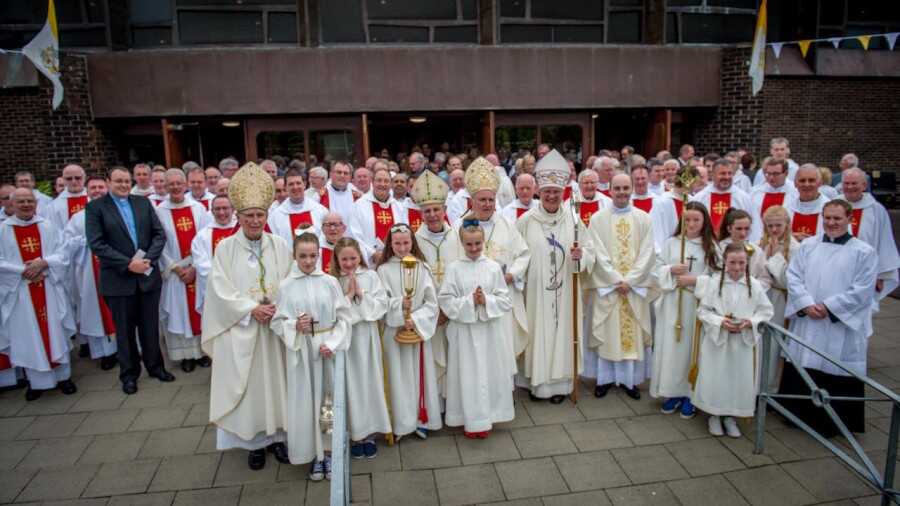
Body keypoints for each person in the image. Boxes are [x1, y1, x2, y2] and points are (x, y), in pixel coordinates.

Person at [201, 162, 292, 470]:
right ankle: (254, 443)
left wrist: (278, 308)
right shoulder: (225, 248)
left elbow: (292, 281)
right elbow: (219, 289)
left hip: (275, 329)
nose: (255, 220)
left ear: (267, 216)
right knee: (252, 388)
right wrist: (250, 309)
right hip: (244, 329)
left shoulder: (279, 245)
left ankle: (279, 437)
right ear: (238, 217)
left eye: (260, 215)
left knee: (279, 384)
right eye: (249, 215)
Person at [779, 199, 878, 437]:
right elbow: (793, 277)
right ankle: (798, 415)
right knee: (805, 362)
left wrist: (829, 307)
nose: (831, 223)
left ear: (849, 219)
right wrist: (805, 303)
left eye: (837, 218)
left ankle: (833, 423)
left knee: (835, 364)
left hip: (838, 324)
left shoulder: (864, 252)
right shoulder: (808, 246)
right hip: (808, 318)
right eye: (828, 218)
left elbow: (863, 289)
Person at [86, 167, 174, 394]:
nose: (124, 185)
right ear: (108, 182)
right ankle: (129, 374)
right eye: (118, 181)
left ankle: (155, 367)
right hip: (118, 279)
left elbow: (159, 234)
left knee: (150, 326)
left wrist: (147, 260)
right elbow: (97, 244)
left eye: (127, 181)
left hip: (146, 274)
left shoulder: (142, 203)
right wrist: (128, 264)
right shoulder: (96, 208)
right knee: (124, 331)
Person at [271, 232, 351, 478]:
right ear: (294, 256)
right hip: (302, 352)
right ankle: (313, 454)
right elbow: (277, 321)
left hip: (327, 350)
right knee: (307, 402)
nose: (308, 261)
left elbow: (345, 317)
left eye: (312, 255)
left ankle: (328, 451)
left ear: (319, 254)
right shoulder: (286, 285)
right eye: (302, 256)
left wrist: (334, 342)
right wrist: (294, 325)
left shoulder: (329, 282)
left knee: (328, 402)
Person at [517, 150, 593, 403]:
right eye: (547, 191)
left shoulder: (573, 221)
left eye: (556, 192)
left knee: (563, 333)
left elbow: (591, 253)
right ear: (539, 191)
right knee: (539, 333)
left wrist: (581, 255)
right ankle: (537, 384)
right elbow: (517, 255)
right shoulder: (526, 221)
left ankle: (561, 385)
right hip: (536, 293)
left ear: (563, 193)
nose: (551, 196)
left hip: (565, 292)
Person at [452, 157, 530, 387]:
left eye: (491, 199)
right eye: (482, 199)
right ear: (472, 200)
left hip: (499, 298)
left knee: (501, 346)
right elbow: (453, 263)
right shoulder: (459, 227)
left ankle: (503, 392)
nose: (487, 204)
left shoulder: (506, 224)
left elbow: (523, 254)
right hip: (472, 302)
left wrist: (512, 274)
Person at [584, 174, 657, 400]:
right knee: (607, 333)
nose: (622, 192)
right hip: (610, 287)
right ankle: (604, 379)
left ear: (632, 189)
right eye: (617, 188)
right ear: (610, 190)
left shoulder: (644, 218)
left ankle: (629, 381)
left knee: (630, 334)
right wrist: (617, 280)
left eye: (626, 188)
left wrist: (631, 281)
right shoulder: (598, 219)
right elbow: (597, 252)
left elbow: (647, 252)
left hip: (633, 288)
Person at [0, 188, 77, 401]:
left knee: (55, 331)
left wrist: (44, 263)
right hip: (20, 292)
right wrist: (22, 272)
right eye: (21, 201)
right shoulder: (3, 230)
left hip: (49, 287)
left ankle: (64, 378)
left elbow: (63, 253)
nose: (26, 205)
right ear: (11, 204)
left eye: (29, 201)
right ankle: (36, 383)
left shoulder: (48, 226)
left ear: (36, 203)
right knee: (28, 336)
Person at [439, 224, 514, 436]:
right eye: (469, 244)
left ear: (484, 243)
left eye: (478, 243)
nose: (474, 248)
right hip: (464, 332)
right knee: (468, 375)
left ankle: (489, 416)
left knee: (489, 373)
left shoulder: (492, 267)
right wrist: (469, 301)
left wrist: (486, 300)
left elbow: (505, 300)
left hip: (489, 330)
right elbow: (445, 299)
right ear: (462, 244)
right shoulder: (454, 268)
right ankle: (468, 418)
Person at [693, 243, 774, 438]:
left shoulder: (754, 285)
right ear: (725, 262)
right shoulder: (714, 283)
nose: (737, 268)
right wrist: (721, 322)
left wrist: (751, 322)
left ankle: (730, 416)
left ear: (747, 263)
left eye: (741, 263)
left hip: (742, 342)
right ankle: (714, 414)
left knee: (737, 379)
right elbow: (703, 311)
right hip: (718, 341)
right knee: (717, 377)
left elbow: (766, 311)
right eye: (732, 262)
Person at [650, 201, 719, 419]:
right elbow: (655, 268)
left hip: (696, 305)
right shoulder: (672, 243)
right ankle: (672, 391)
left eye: (696, 219)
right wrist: (670, 269)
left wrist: (694, 280)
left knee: (693, 349)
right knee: (672, 350)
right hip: (672, 303)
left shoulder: (710, 246)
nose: (691, 224)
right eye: (687, 219)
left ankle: (691, 394)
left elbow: (718, 277)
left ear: (704, 221)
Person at [376, 224, 441, 440]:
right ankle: (402, 424)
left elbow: (432, 302)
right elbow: (380, 303)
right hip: (394, 333)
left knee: (419, 374)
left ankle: (422, 419)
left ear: (413, 242)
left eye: (406, 242)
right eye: (397, 243)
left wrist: (415, 319)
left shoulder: (422, 267)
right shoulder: (383, 270)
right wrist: (398, 308)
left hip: (417, 330)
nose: (402, 247)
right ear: (390, 244)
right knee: (398, 377)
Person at [331, 237, 391, 459]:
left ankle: (369, 433)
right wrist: (347, 297)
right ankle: (354, 434)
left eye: (353, 258)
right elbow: (331, 313)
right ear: (337, 260)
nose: (349, 263)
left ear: (360, 257)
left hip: (366, 337)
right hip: (346, 340)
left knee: (368, 382)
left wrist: (361, 295)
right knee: (350, 385)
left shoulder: (371, 277)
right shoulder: (332, 281)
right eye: (344, 259)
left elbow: (381, 307)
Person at [156, 169, 211, 373]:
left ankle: (202, 352)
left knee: (201, 310)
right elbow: (158, 243)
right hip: (174, 272)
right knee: (178, 312)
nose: (176, 187)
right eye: (171, 184)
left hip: (196, 269)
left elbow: (206, 239)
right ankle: (184, 355)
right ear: (165, 186)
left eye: (179, 183)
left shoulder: (198, 209)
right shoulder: (160, 211)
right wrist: (177, 269)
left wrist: (196, 267)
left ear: (185, 184)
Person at [411, 171, 458, 402]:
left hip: (455, 313)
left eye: (436, 209)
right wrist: (434, 310)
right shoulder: (414, 242)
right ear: (421, 214)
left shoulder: (458, 237)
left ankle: (455, 401)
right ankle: (434, 405)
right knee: (432, 360)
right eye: (427, 211)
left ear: (444, 210)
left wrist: (449, 308)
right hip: (429, 314)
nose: (432, 215)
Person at [63, 175, 118, 370]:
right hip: (90, 272)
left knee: (122, 308)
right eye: (93, 188)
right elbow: (67, 244)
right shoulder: (78, 218)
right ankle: (106, 354)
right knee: (97, 311)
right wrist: (88, 240)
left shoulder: (119, 210)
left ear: (108, 188)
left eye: (101, 187)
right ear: (87, 191)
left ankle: (128, 349)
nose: (97, 191)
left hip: (118, 269)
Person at [839, 168, 900, 299]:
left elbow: (885, 242)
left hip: (865, 271)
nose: (850, 187)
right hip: (836, 270)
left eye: (854, 183)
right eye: (846, 183)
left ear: (864, 185)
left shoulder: (876, 209)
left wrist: (881, 275)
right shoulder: (833, 204)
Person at [758, 205, 799, 391]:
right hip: (763, 297)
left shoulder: (795, 248)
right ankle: (757, 384)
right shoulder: (762, 243)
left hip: (780, 299)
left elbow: (788, 281)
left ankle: (771, 388)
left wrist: (776, 257)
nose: (774, 230)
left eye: (778, 225)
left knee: (775, 345)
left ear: (787, 224)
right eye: (770, 226)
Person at [190, 195, 239, 312]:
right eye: (217, 209)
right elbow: (202, 265)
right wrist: (223, 281)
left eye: (225, 208)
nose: (221, 212)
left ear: (233, 209)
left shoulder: (242, 232)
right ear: (212, 211)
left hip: (240, 289)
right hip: (214, 290)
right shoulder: (202, 236)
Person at [351, 168, 406, 264]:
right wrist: (372, 253)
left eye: (386, 181)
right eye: (379, 180)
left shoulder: (399, 207)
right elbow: (355, 235)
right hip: (369, 262)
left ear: (391, 184)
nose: (382, 184)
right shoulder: (359, 205)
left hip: (395, 260)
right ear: (372, 182)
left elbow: (405, 233)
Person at [691, 159, 754, 236]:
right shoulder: (699, 198)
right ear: (713, 175)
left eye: (730, 173)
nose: (727, 177)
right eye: (722, 173)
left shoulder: (744, 198)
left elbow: (753, 225)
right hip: (707, 244)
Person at [268, 169, 328, 244]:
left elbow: (326, 240)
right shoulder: (275, 216)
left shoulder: (320, 211)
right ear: (286, 187)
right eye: (291, 184)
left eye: (298, 183)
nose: (295, 187)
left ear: (304, 184)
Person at [718, 209, 772, 291]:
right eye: (739, 229)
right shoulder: (719, 248)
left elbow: (765, 279)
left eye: (747, 229)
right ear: (729, 228)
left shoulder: (756, 250)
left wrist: (751, 289)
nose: (743, 233)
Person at [750, 158, 798, 240]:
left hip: (787, 239)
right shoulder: (755, 193)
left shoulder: (795, 192)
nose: (771, 177)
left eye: (776, 174)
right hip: (761, 239)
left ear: (786, 173)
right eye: (768, 173)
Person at [787, 164, 829, 241]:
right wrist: (790, 237)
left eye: (811, 180)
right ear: (795, 184)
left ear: (820, 183)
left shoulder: (830, 209)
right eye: (802, 180)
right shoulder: (787, 208)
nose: (806, 184)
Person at [47, 164, 89, 236]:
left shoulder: (93, 199)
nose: (74, 181)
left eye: (78, 178)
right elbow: (54, 231)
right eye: (69, 179)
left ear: (84, 178)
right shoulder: (54, 206)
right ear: (64, 180)